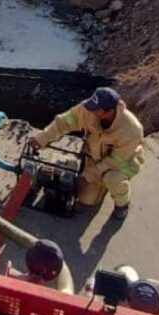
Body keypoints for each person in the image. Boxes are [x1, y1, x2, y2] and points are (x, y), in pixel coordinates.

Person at [27, 87, 144, 219]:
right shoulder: (90, 110)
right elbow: (64, 122)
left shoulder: (131, 130)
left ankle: (122, 204)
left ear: (109, 111)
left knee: (113, 179)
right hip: (94, 158)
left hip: (121, 164)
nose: (91, 111)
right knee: (86, 199)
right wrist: (42, 138)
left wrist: (87, 177)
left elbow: (115, 161)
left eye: (96, 109)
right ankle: (99, 185)